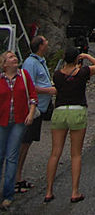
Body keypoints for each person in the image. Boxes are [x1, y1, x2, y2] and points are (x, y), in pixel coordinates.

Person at [45, 46, 95, 203]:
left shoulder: (57, 75)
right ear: (77, 59)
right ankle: (74, 191)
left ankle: (49, 191)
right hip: (77, 111)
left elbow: (57, 90)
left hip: (60, 111)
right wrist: (86, 56)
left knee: (55, 152)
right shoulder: (82, 73)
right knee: (76, 154)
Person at [15, 36, 57, 194]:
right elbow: (27, 86)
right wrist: (49, 90)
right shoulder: (30, 63)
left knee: (28, 143)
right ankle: (16, 179)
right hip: (33, 109)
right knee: (23, 144)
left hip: (41, 108)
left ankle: (18, 177)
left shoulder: (40, 61)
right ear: (40, 45)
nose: (47, 43)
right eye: (45, 41)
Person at [0, 51, 37, 210]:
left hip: (19, 121)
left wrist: (31, 112)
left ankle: (8, 194)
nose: (14, 58)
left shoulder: (24, 75)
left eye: (15, 56)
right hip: (2, 121)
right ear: (4, 64)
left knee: (12, 156)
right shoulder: (0, 79)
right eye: (10, 57)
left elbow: (33, 96)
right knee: (0, 156)